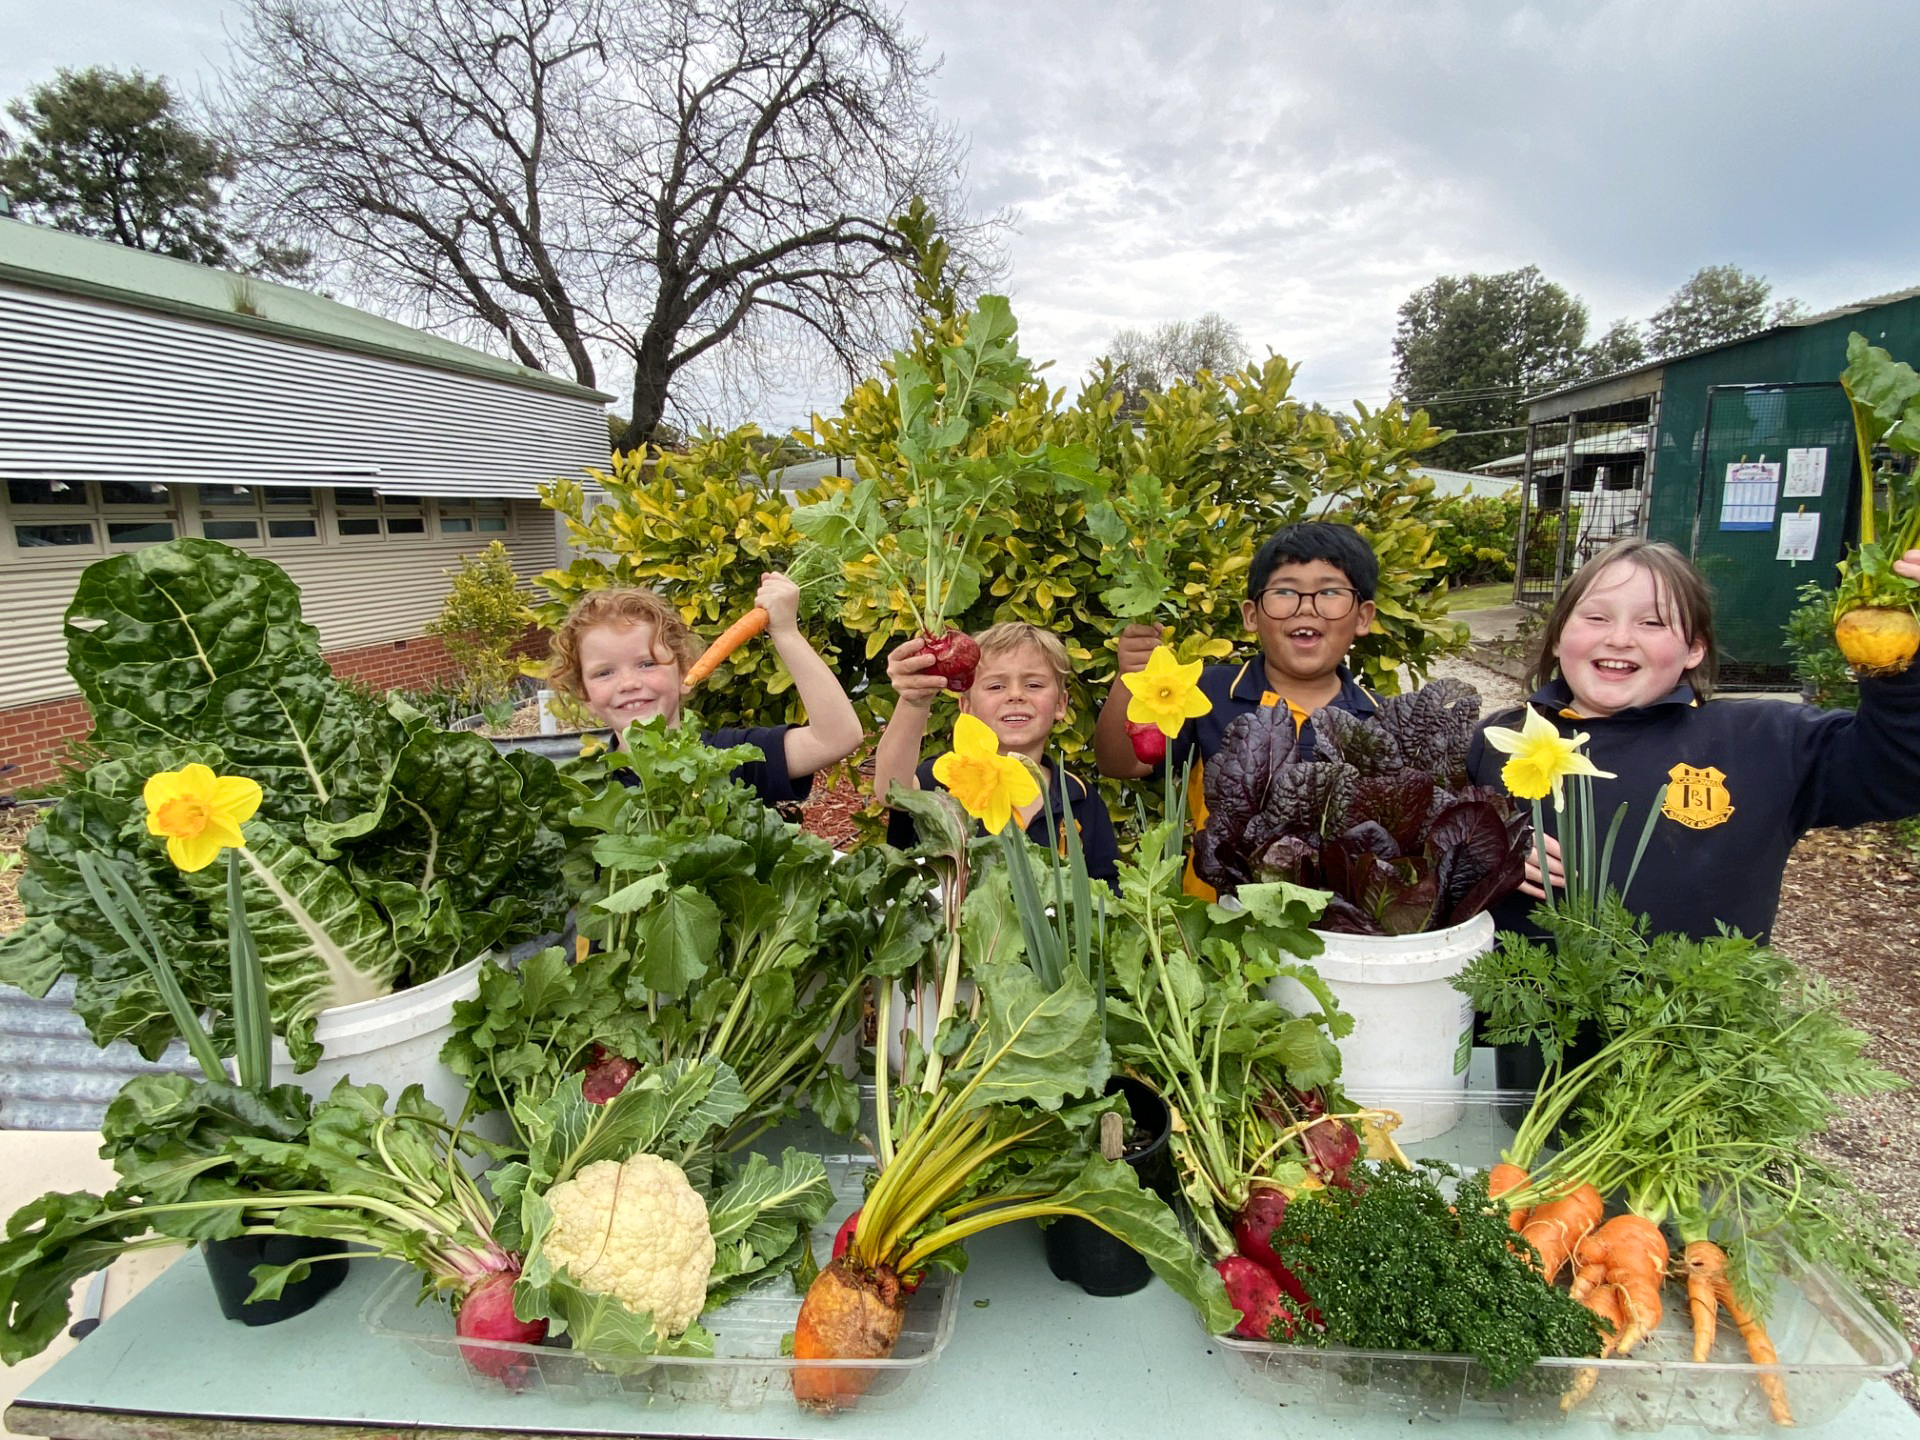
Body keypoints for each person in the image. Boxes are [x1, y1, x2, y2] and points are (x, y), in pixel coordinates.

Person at [1467, 536, 1920, 942]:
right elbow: (1426, 853)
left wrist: (1900, 662)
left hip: (1693, 1029)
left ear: (1694, 650)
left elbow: (1900, 769)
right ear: (1557, 638)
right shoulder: (1496, 739)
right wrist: (1487, 850)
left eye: (1653, 623)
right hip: (1524, 1027)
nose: (1620, 637)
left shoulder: (1767, 743)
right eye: (1597, 617)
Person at [1093, 520, 1382, 894]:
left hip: (1337, 932)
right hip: (1215, 926)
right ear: (1250, 614)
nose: (1306, 608)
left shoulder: (1378, 719)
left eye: (1329, 592)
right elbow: (1120, 764)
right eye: (1285, 591)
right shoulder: (1206, 692)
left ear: (1362, 617)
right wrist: (1129, 677)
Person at [547, 573, 862, 808]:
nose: (628, 683)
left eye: (647, 664)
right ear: (584, 694)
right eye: (604, 672)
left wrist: (786, 633)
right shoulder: (581, 794)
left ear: (684, 670)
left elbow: (836, 738)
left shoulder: (730, 756)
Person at [875, 621, 1120, 884]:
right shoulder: (943, 781)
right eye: (996, 686)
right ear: (966, 706)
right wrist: (914, 701)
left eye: (1034, 685)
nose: (1015, 695)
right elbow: (893, 790)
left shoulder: (1081, 799)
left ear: (1061, 704)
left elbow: (1106, 890)